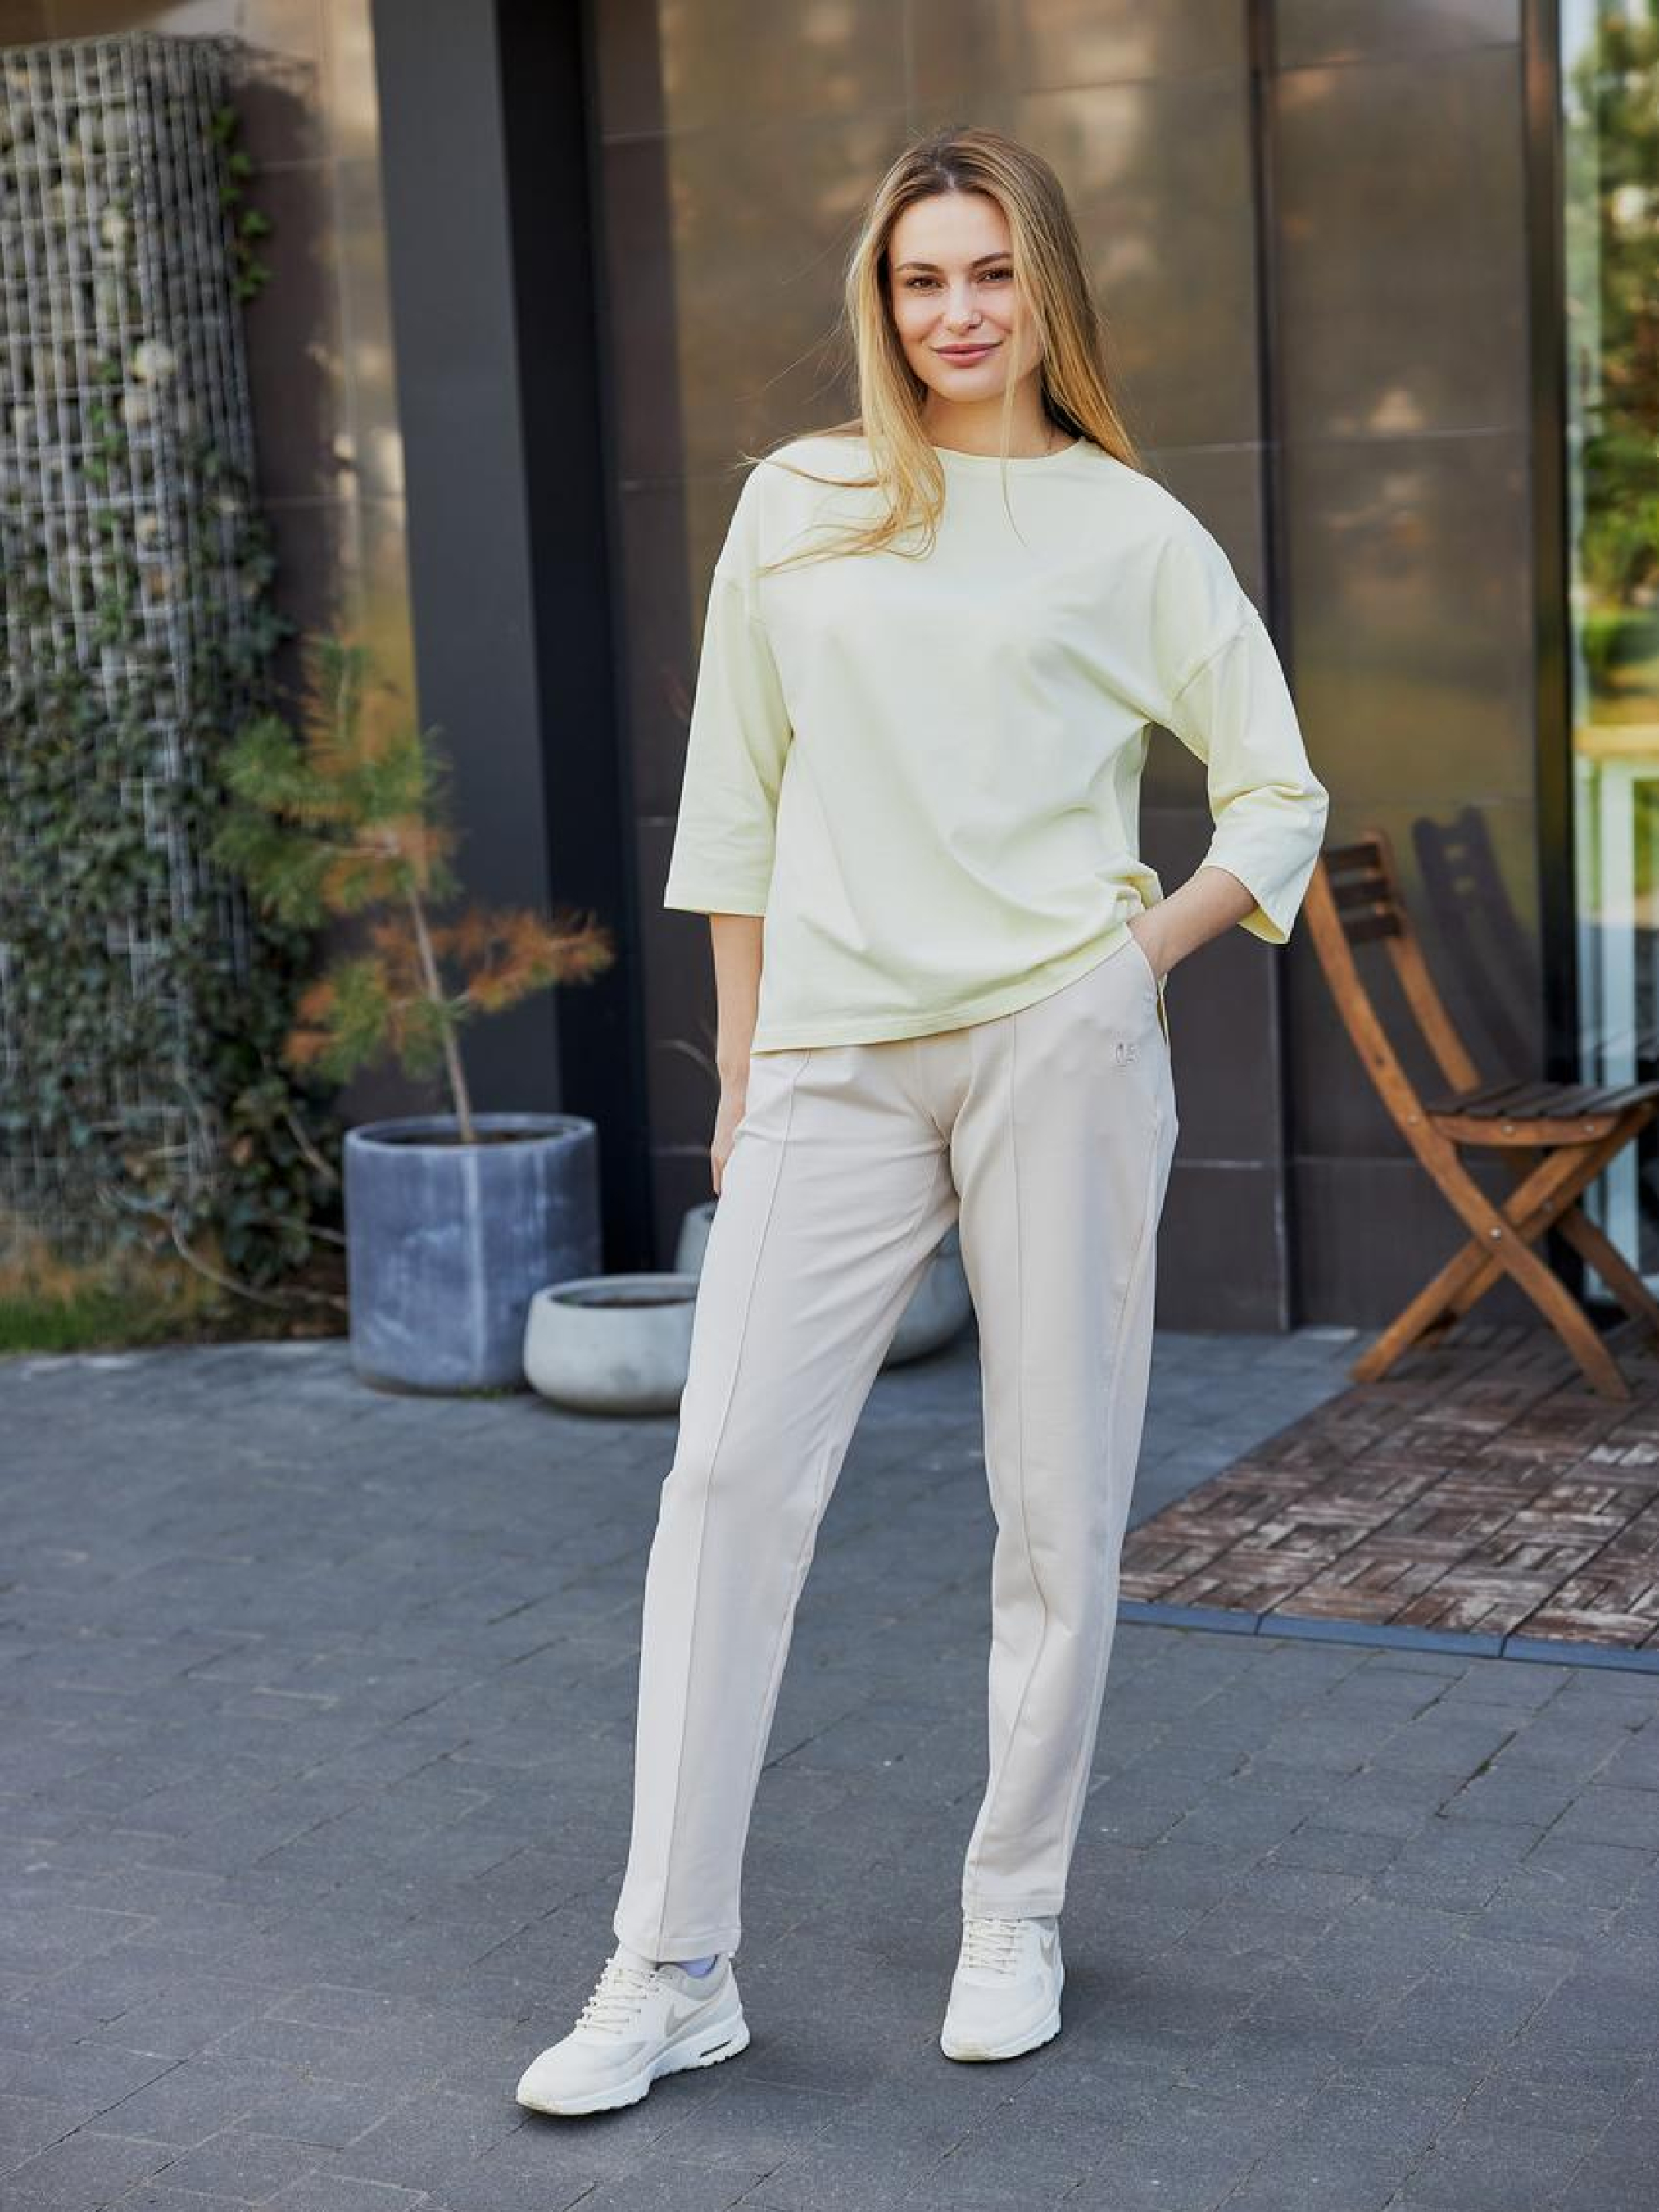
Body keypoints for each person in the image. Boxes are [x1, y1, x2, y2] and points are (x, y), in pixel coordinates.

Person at [516, 124, 1329, 2119]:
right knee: (723, 1484)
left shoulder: (1128, 530)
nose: (956, 311)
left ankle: (1013, 1908)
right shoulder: (796, 503)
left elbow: (1276, 794)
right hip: (830, 1056)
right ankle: (668, 1966)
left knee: (1052, 1505)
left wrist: (1131, 964)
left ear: (1045, 285)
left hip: (1057, 1041)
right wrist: (740, 1065)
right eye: (918, 278)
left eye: (988, 271)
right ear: (878, 302)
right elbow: (733, 798)